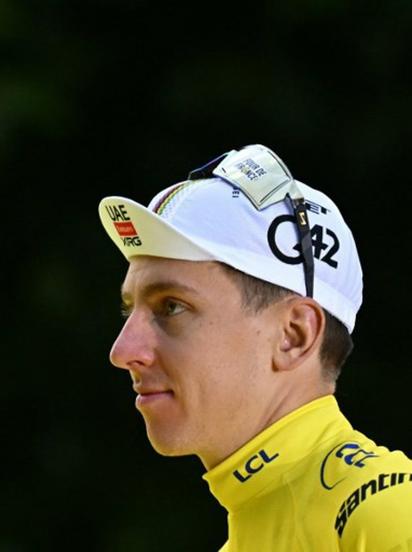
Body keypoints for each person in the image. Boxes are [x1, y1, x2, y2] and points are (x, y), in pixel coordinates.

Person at [97, 144, 412, 551]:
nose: (123, 351)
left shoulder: (389, 509)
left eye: (172, 307)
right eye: (129, 311)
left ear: (293, 335)